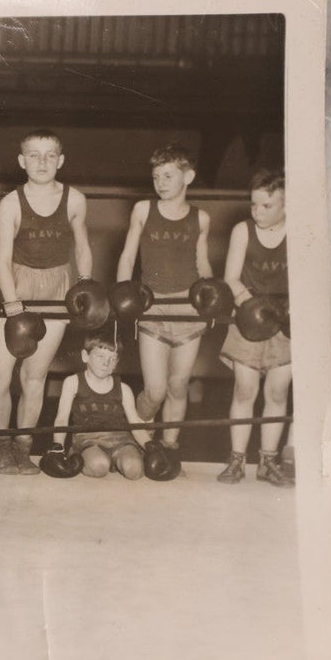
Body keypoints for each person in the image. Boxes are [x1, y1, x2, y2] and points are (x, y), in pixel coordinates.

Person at [0, 130, 93, 475]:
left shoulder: (75, 200)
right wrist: (13, 301)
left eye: (49, 155)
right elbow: (1, 259)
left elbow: (82, 247)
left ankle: (22, 447)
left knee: (35, 375)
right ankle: (2, 446)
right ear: (22, 161)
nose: (42, 162)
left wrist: (83, 288)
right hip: (15, 286)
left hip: (56, 289)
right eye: (34, 155)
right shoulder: (11, 203)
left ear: (61, 161)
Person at [115, 142, 213, 461]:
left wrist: (211, 298)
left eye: (168, 176)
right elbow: (128, 255)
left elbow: (203, 263)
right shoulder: (143, 209)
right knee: (155, 390)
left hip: (189, 307)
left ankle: (169, 446)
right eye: (156, 176)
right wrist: (121, 294)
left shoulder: (201, 218)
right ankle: (137, 433)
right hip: (151, 306)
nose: (161, 183)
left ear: (189, 177)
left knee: (178, 385)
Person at [217, 169, 294, 487]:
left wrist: (283, 309)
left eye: (267, 206)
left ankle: (268, 461)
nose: (257, 212)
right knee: (244, 390)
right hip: (248, 320)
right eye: (254, 205)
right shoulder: (242, 231)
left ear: (286, 204)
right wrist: (255, 306)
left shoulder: (301, 230)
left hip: (285, 323)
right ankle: (236, 460)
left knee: (277, 392)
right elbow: (231, 278)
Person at [50, 333, 150, 479]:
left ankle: (117, 460)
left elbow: (135, 423)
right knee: (99, 467)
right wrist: (57, 447)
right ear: (85, 356)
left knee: (134, 470)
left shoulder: (124, 388)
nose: (106, 363)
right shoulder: (72, 382)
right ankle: (82, 455)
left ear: (116, 362)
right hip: (87, 439)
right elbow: (61, 419)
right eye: (100, 356)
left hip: (120, 439)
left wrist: (151, 446)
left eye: (112, 358)